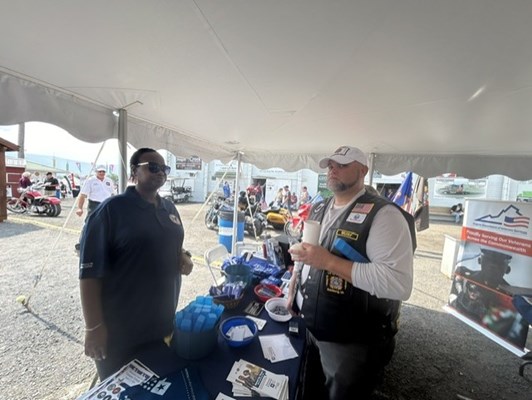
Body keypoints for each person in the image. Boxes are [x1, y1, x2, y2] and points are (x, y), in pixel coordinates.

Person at [287, 145, 416, 399]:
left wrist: (328, 262)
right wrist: (293, 283)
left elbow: (399, 284)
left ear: (363, 170)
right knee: (309, 389)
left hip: (349, 342)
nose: (333, 169)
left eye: (343, 165)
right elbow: (306, 251)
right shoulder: (320, 207)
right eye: (331, 165)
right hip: (310, 325)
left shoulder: (384, 215)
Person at [79, 148, 193, 380]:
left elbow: (171, 244)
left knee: (157, 386)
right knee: (123, 389)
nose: (160, 172)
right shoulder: (111, 211)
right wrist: (93, 327)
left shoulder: (169, 208)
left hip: (162, 323)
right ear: (134, 172)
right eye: (152, 167)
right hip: (121, 332)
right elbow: (89, 274)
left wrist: (183, 255)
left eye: (164, 168)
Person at [74, 166, 116, 251]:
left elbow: (112, 194)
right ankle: (82, 242)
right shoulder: (90, 181)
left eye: (103, 171)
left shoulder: (109, 181)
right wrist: (80, 208)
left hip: (106, 204)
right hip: (94, 205)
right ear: (96, 172)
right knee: (89, 223)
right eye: (100, 171)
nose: (101, 173)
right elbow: (83, 195)